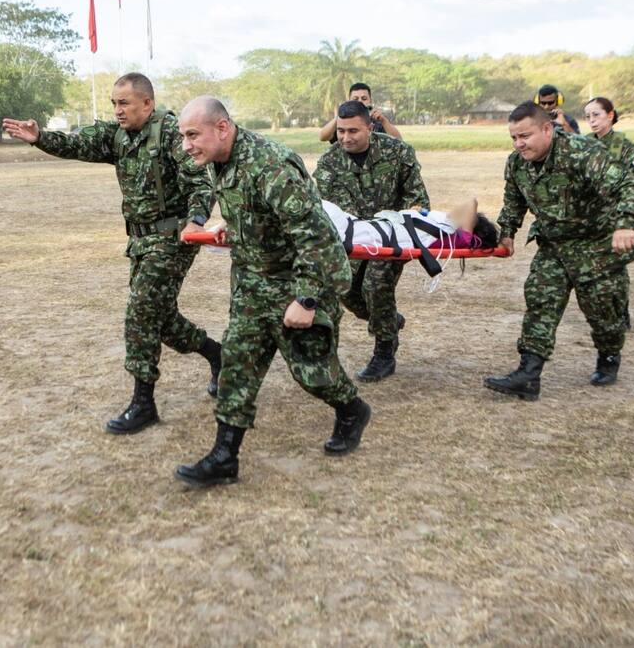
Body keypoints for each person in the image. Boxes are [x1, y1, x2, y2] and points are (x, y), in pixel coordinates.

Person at [2, 73, 222, 435]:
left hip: (173, 239)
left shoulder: (170, 134)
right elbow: (78, 144)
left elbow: (200, 180)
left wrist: (196, 221)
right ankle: (217, 354)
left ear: (147, 104)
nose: (118, 111)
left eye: (125, 103)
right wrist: (39, 138)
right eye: (114, 104)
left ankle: (143, 402)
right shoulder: (117, 135)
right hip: (139, 241)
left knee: (140, 312)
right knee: (161, 320)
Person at [174, 96, 370, 488]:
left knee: (311, 372)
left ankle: (352, 409)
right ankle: (224, 457)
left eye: (192, 135)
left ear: (222, 128)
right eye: (183, 136)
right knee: (237, 364)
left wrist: (307, 299)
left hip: (296, 280)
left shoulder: (270, 166)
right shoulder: (219, 160)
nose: (186, 145)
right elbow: (255, 209)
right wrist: (241, 227)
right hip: (251, 283)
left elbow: (318, 239)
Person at [484, 101, 634, 400]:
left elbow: (630, 183)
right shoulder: (517, 163)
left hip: (596, 247)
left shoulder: (582, 153)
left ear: (547, 129)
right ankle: (528, 375)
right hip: (554, 245)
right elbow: (514, 201)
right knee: (540, 300)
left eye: (525, 136)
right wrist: (507, 233)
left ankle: (609, 356)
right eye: (514, 138)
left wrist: (626, 224)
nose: (519, 144)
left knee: (604, 313)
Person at [313, 100, 429, 382]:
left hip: (391, 237)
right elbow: (326, 207)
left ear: (370, 127)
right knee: (346, 291)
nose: (345, 138)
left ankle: (384, 351)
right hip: (352, 238)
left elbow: (418, 198)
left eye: (353, 131)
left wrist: (411, 213)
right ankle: (388, 320)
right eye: (341, 131)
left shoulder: (397, 152)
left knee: (375, 285)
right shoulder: (329, 162)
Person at [583, 96, 634, 344]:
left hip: (616, 219)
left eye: (597, 115)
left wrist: (625, 215)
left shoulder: (624, 148)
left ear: (610, 115)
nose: (592, 121)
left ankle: (620, 312)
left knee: (615, 270)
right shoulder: (583, 145)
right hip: (590, 221)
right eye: (588, 116)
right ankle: (609, 312)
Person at [321, 197, 501, 252]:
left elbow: (471, 202)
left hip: (347, 231)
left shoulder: (463, 240)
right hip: (350, 224)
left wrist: (467, 221)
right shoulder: (444, 230)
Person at [318, 82, 403, 142]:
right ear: (349, 100)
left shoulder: (377, 121)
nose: (360, 101)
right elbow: (323, 137)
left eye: (364, 98)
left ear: (370, 100)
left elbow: (398, 140)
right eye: (355, 99)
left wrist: (384, 121)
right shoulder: (343, 122)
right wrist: (340, 116)